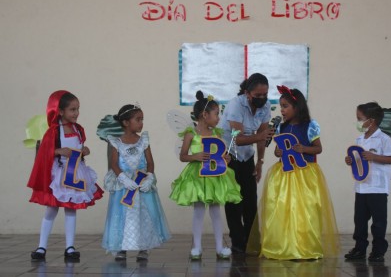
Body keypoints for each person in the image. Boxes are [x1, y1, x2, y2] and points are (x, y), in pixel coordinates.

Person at [258, 85, 340, 260]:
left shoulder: (310, 126)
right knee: (282, 210)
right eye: (281, 106)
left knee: (304, 210)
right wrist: (277, 152)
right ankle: (283, 245)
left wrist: (304, 148)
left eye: (285, 106)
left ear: (297, 107)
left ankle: (305, 247)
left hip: (305, 174)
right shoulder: (281, 127)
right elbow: (278, 150)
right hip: (285, 174)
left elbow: (318, 149)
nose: (282, 110)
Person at [27, 90, 103, 261]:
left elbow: (79, 146)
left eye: (78, 109)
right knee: (51, 209)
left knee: (71, 209)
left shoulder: (78, 129)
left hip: (74, 173)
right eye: (72, 109)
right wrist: (58, 151)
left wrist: (85, 150)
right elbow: (44, 151)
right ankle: (41, 247)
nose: (76, 113)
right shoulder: (54, 131)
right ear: (60, 111)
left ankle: (70, 247)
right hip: (58, 174)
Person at [169, 91, 241, 260]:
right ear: (204, 115)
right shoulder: (190, 133)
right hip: (197, 177)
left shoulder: (216, 134)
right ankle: (197, 247)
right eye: (216, 114)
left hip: (214, 175)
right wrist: (195, 157)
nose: (219, 118)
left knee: (216, 211)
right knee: (199, 211)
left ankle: (219, 247)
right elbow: (183, 156)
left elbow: (219, 154)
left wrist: (225, 159)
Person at [102, 104, 171, 261]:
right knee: (122, 216)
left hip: (141, 184)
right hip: (124, 186)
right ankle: (121, 247)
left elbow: (150, 162)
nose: (141, 123)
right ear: (126, 122)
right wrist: (123, 178)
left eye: (142, 119)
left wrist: (150, 176)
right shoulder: (116, 142)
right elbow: (113, 163)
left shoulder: (144, 140)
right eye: (138, 119)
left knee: (144, 216)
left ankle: (144, 247)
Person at [219, 73, 273, 254]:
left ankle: (252, 240)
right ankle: (237, 240)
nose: (262, 98)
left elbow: (262, 139)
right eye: (258, 95)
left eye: (265, 94)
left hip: (247, 157)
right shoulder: (236, 104)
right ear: (247, 93)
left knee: (250, 199)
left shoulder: (265, 107)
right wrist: (260, 136)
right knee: (234, 200)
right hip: (228, 155)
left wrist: (260, 162)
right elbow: (238, 139)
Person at [344, 102, 391, 263]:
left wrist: (374, 157)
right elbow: (359, 160)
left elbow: (390, 159)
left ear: (371, 120)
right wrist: (351, 160)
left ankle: (378, 250)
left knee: (378, 222)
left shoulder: (384, 138)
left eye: (360, 119)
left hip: (377, 188)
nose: (357, 122)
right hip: (361, 187)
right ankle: (360, 248)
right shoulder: (359, 139)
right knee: (359, 220)